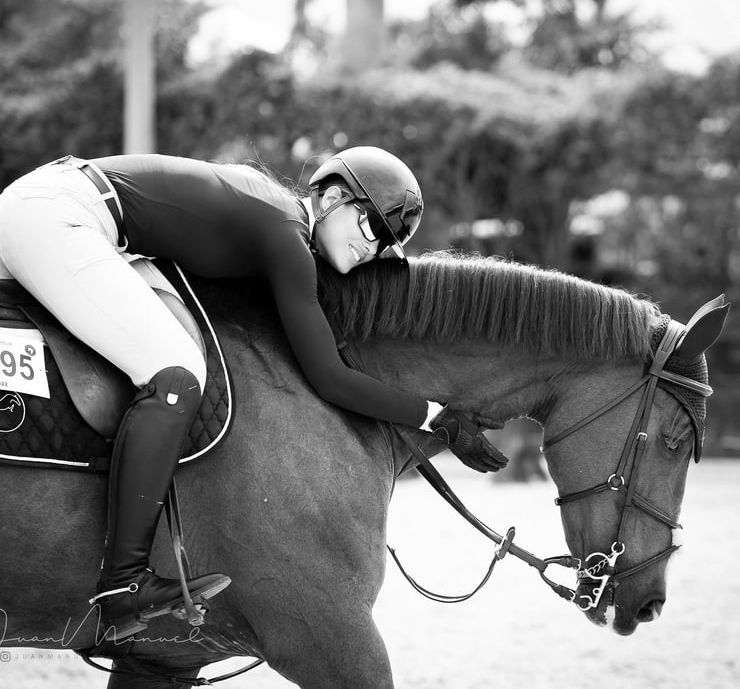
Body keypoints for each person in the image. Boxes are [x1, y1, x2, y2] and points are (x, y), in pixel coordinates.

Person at [0, 146, 507, 639]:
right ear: (331, 199)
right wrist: (433, 415)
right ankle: (121, 585)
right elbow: (328, 376)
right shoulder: (287, 235)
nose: (371, 249)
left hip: (72, 214)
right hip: (60, 216)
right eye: (373, 227)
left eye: (385, 246)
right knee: (176, 375)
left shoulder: (279, 223)